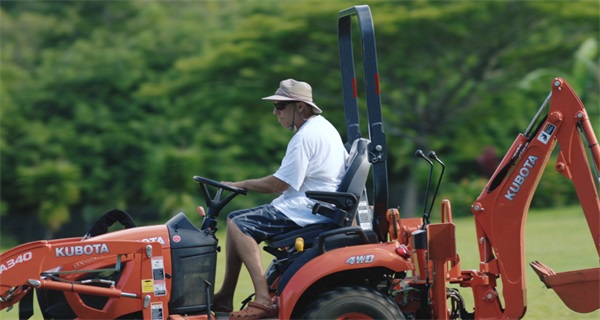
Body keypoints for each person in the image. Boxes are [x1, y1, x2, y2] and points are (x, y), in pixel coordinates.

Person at [212, 79, 348, 319]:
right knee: (235, 219)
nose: (275, 112)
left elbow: (279, 184)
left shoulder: (305, 137)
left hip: (308, 208)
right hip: (316, 203)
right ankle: (225, 296)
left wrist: (240, 184)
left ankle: (263, 299)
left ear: (301, 108)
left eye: (280, 106)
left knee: (239, 224)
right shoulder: (324, 128)